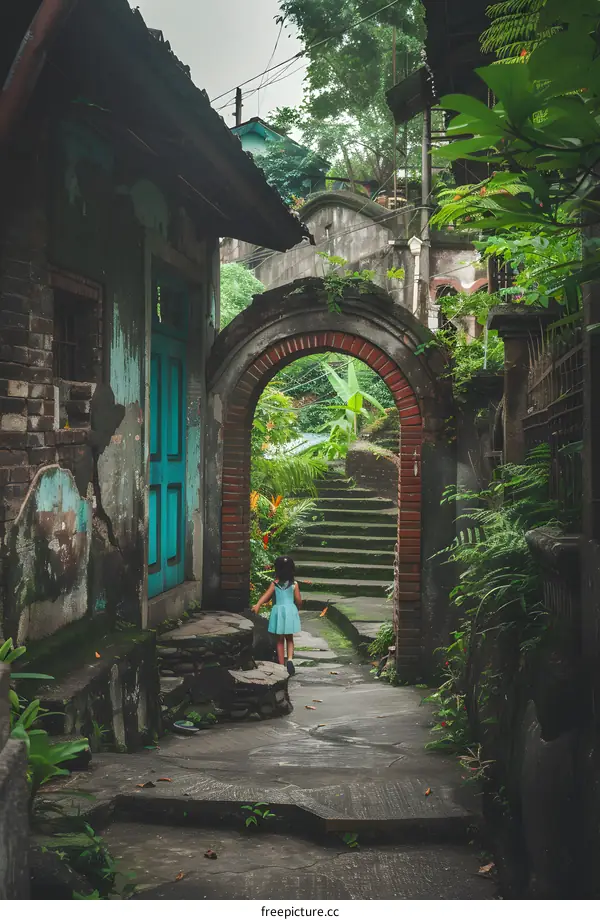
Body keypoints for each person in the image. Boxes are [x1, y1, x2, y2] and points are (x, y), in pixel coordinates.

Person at [252, 555, 302, 676]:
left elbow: (266, 596)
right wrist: (297, 607)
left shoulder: (275, 584)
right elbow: (298, 600)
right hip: (290, 610)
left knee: (279, 640)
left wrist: (257, 604)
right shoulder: (294, 584)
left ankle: (280, 665)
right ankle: (289, 659)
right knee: (289, 638)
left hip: (278, 612)